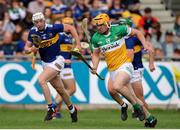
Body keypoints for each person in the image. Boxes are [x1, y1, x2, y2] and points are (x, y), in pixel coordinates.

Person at [90, 13, 153, 122]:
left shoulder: (119, 29)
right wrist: (94, 66)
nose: (98, 28)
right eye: (97, 26)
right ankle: (150, 118)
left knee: (117, 86)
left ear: (107, 23)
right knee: (117, 92)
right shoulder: (95, 38)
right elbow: (95, 54)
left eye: (100, 25)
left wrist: (145, 44)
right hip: (112, 70)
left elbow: (138, 32)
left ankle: (136, 107)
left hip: (125, 65)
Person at [24, 12, 81, 122]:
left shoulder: (53, 28)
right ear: (34, 23)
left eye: (40, 21)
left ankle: (51, 108)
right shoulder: (32, 32)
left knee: (41, 80)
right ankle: (73, 110)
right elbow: (26, 48)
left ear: (44, 20)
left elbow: (70, 28)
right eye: (36, 22)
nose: (39, 24)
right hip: (45, 64)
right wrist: (31, 50)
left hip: (57, 60)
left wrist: (78, 44)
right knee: (61, 90)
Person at [107, 18, 157, 127]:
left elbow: (150, 48)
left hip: (135, 70)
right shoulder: (116, 39)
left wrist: (151, 63)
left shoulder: (133, 38)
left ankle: (147, 119)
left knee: (139, 97)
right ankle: (125, 106)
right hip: (121, 69)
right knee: (112, 89)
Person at [53, 17, 77, 119]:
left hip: (66, 66)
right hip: (63, 66)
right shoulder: (60, 36)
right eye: (69, 25)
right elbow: (53, 51)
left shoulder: (69, 37)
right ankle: (52, 107)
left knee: (61, 90)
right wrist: (62, 60)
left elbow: (67, 51)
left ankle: (55, 113)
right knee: (71, 89)